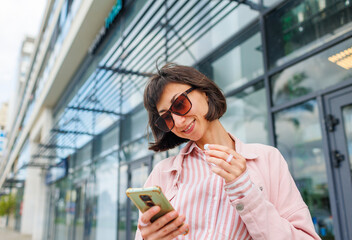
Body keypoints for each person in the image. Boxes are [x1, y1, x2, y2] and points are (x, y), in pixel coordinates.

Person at [135, 63, 321, 240]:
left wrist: (245, 190)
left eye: (180, 104)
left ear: (205, 93)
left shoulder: (267, 160)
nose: (179, 122)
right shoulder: (163, 173)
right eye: (167, 118)